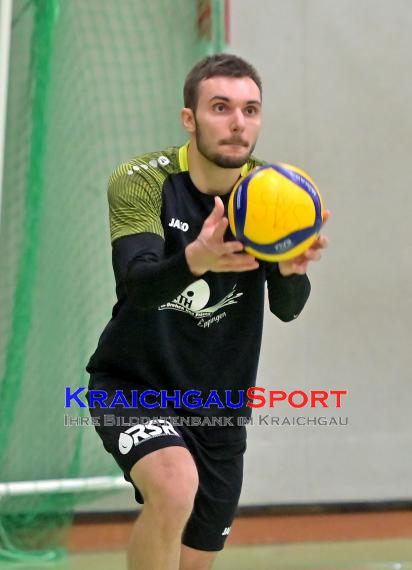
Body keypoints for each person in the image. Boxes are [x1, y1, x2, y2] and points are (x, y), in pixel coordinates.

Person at [86, 53, 329, 570]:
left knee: (194, 561)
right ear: (189, 119)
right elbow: (140, 284)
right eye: (221, 107)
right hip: (131, 385)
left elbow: (287, 310)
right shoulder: (142, 180)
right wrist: (196, 258)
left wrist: (291, 272)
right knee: (174, 487)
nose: (238, 122)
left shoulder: (271, 192)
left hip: (219, 404)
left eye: (250, 109)